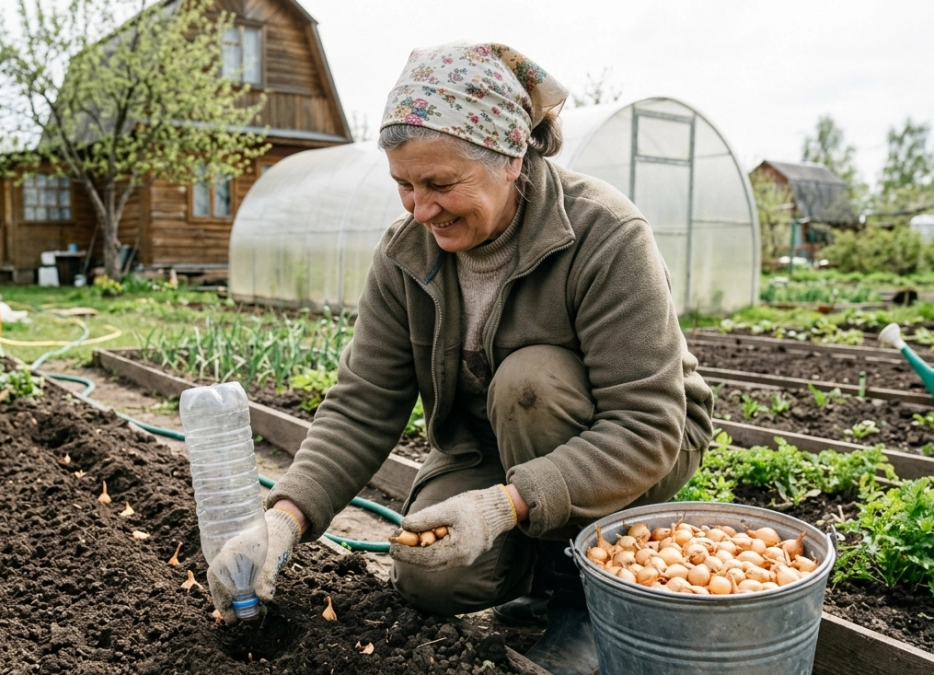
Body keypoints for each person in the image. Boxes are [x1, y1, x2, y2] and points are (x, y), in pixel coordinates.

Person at [207, 41, 713, 675]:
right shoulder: (405, 255)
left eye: (441, 184)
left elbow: (646, 425)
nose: (421, 210)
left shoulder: (605, 236)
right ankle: (535, 559)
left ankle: (582, 597)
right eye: (404, 186)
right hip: (491, 444)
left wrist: (501, 507)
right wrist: (283, 518)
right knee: (429, 577)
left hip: (640, 447)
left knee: (531, 384)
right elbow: (362, 405)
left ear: (509, 160)